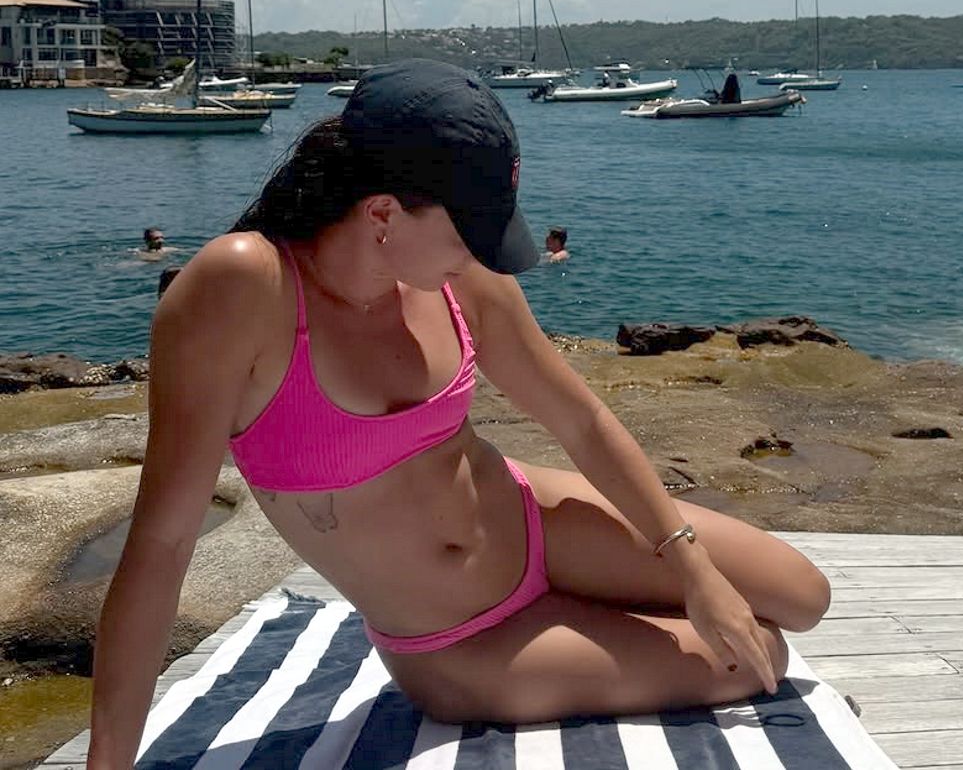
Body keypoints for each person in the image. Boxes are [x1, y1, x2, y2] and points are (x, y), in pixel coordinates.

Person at [87, 59, 830, 768]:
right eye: (469, 229)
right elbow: (164, 543)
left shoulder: (460, 277)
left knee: (802, 594)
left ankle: (605, 595)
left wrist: (691, 567)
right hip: (461, 640)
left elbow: (579, 421)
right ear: (382, 212)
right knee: (758, 654)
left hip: (538, 524)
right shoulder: (245, 288)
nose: (486, 252)